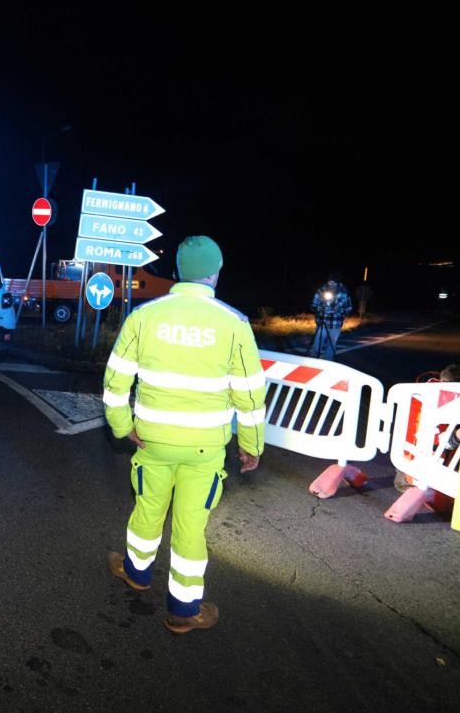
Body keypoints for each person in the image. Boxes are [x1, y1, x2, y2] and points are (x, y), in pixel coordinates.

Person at [102, 235, 267, 634]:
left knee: (147, 510)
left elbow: (115, 383)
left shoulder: (144, 316)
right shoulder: (234, 323)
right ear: (215, 273)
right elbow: (249, 395)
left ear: (178, 270)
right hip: (205, 449)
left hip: (152, 441)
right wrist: (251, 446)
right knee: (191, 528)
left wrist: (123, 427)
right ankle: (183, 610)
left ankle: (137, 573)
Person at [395, 364, 460, 513]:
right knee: (448, 507)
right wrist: (456, 436)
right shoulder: (432, 402)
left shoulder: (423, 391)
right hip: (415, 472)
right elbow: (430, 441)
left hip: (411, 464)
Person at [308, 272, 353, 360]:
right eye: (330, 282)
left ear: (338, 283)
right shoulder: (321, 291)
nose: (332, 284)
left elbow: (349, 308)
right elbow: (313, 305)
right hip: (322, 321)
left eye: (334, 282)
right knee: (318, 342)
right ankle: (313, 359)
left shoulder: (344, 293)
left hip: (336, 323)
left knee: (332, 343)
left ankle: (328, 360)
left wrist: (340, 310)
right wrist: (319, 308)